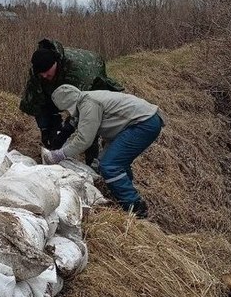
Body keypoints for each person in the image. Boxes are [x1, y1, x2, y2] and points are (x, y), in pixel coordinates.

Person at [42, 84, 165, 218]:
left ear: (67, 104)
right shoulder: (87, 99)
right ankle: (125, 193)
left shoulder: (88, 104)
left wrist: (59, 155)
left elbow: (84, 140)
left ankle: (135, 207)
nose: (67, 113)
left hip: (142, 123)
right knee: (108, 162)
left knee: (110, 165)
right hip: (141, 121)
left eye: (65, 110)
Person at [19, 38, 123, 163]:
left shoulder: (79, 71)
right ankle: (52, 144)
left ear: (55, 63)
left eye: (47, 73)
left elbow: (83, 109)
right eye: (42, 75)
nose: (45, 76)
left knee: (90, 123)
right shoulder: (38, 72)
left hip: (93, 81)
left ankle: (93, 159)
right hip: (63, 80)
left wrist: (66, 130)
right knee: (47, 112)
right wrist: (45, 129)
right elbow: (35, 102)